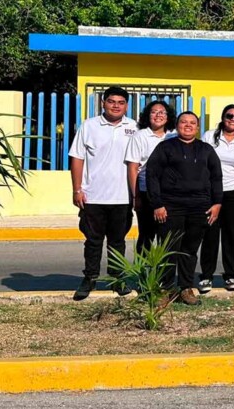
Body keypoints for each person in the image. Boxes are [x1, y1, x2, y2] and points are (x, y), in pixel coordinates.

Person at [146, 111, 223, 305]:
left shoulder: (206, 150)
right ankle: (165, 289)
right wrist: (157, 204)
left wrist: (217, 203)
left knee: (190, 249)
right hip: (171, 206)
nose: (188, 125)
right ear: (177, 125)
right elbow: (152, 175)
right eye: (183, 122)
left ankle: (185, 288)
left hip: (199, 207)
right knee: (169, 248)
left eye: (192, 123)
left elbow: (216, 177)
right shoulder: (165, 147)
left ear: (197, 127)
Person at [69, 86, 137, 301]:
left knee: (118, 241)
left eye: (121, 102)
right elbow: (77, 158)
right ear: (103, 103)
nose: (116, 106)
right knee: (93, 241)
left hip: (123, 197)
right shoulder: (89, 126)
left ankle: (117, 279)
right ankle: (90, 278)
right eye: (111, 101)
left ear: (126, 106)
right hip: (93, 196)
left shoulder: (134, 127)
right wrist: (77, 189)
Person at [198, 104, 234, 294]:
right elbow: (202, 163)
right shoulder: (209, 136)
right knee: (210, 235)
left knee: (231, 236)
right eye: (229, 116)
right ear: (223, 117)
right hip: (211, 192)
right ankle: (206, 276)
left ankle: (230, 275)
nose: (233, 119)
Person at [125, 100, 177, 256]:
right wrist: (136, 196)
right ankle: (143, 269)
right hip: (146, 191)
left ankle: (163, 270)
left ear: (168, 116)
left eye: (162, 112)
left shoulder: (174, 135)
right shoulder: (140, 136)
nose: (158, 115)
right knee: (147, 234)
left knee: (167, 236)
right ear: (148, 116)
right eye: (154, 112)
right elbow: (133, 167)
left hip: (170, 193)